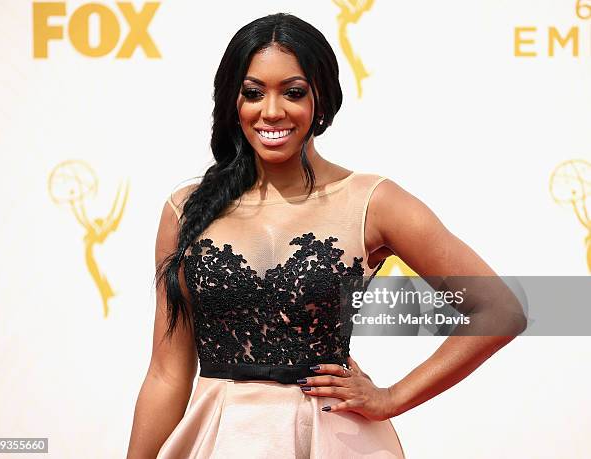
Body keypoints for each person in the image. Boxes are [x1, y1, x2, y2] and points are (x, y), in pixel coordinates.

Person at [126, 13, 526, 459]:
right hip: (221, 439)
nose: (272, 111)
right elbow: (166, 374)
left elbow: (500, 310)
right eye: (253, 93)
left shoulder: (372, 201)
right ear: (232, 102)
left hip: (331, 439)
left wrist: (391, 397)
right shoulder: (186, 210)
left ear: (322, 98)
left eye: (293, 92)